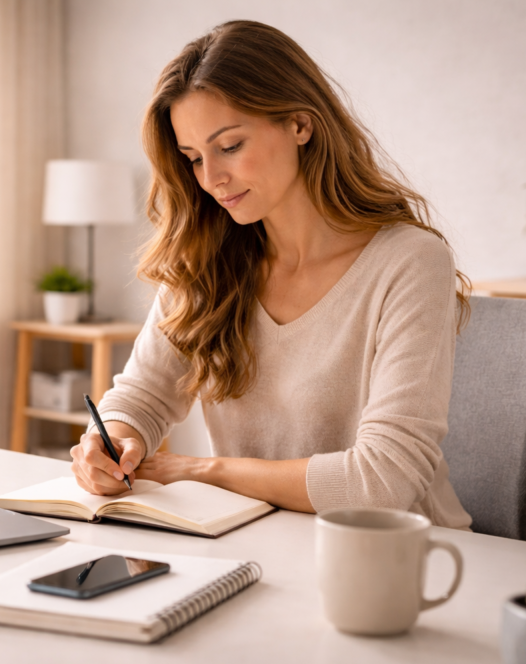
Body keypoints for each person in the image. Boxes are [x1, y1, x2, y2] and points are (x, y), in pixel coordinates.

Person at [69, 20, 472, 530]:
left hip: (400, 560)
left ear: (300, 125)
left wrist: (199, 471)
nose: (211, 178)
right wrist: (110, 441)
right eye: (193, 158)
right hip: (256, 539)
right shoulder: (208, 257)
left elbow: (381, 484)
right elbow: (144, 395)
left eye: (230, 146)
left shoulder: (409, 261)